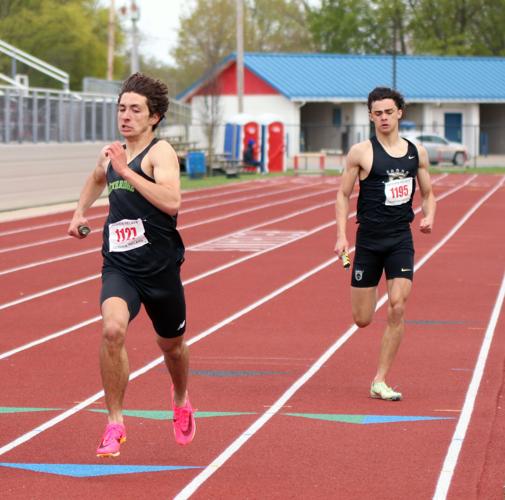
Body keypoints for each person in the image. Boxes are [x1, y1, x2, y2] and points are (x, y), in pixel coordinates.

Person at [68, 73, 195, 457]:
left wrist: (125, 172)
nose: (125, 116)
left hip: (160, 270)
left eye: (135, 109)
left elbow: (172, 202)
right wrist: (78, 212)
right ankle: (115, 423)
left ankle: (181, 397)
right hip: (119, 267)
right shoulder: (110, 155)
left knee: (171, 347)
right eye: (121, 108)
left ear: (153, 117)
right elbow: (94, 179)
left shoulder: (160, 154)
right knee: (112, 330)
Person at [334, 87, 436, 401]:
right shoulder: (361, 152)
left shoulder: (415, 152)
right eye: (378, 113)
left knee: (397, 306)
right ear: (370, 116)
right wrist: (341, 235)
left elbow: (429, 193)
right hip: (368, 242)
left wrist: (428, 216)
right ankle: (370, 295)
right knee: (362, 319)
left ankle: (380, 380)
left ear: (399, 113)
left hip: (400, 240)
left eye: (389, 112)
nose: (383, 118)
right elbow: (342, 194)